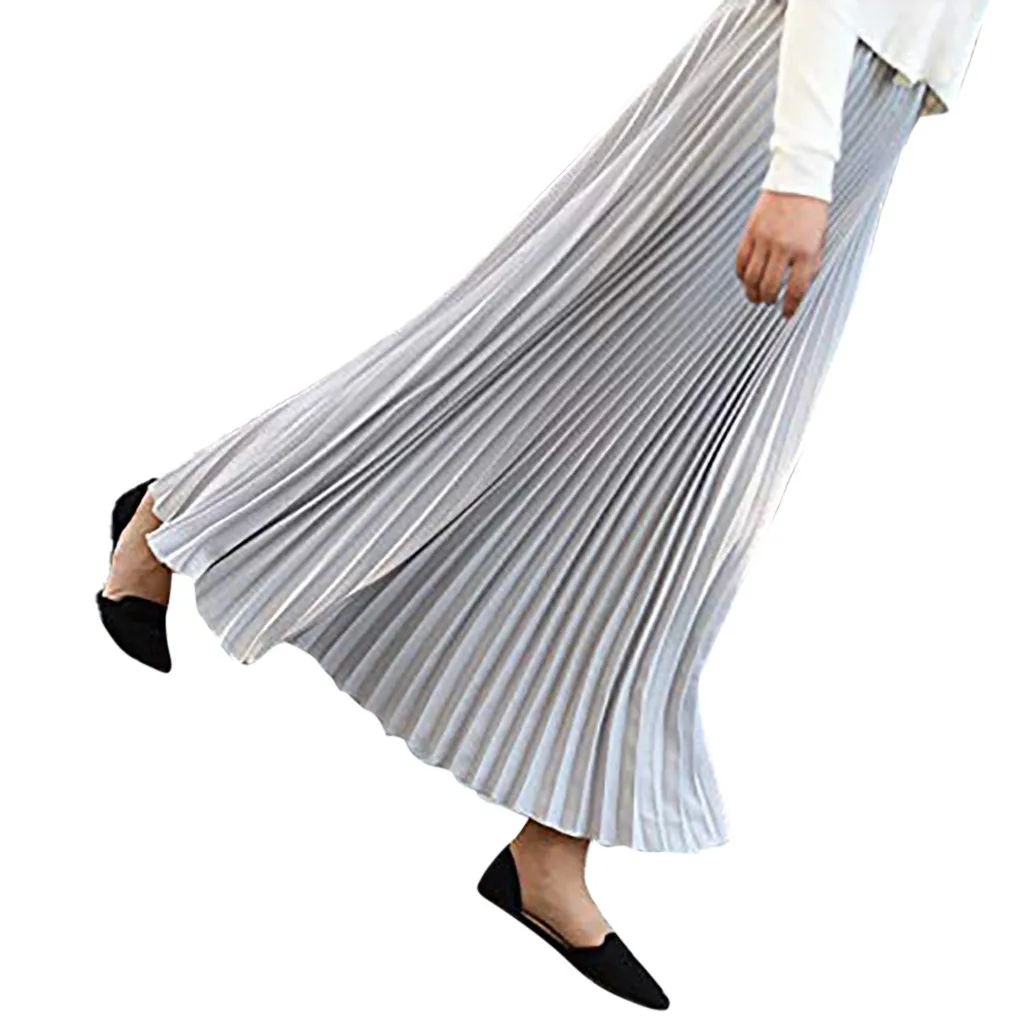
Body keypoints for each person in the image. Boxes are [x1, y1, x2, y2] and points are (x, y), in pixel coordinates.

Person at [95, 0, 988, 1011]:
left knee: (684, 494)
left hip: (865, 120)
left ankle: (552, 848)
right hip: (795, 107)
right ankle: (176, 515)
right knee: (504, 368)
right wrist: (797, 166)